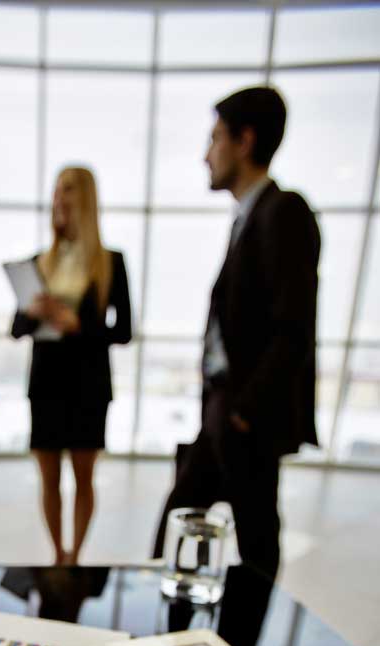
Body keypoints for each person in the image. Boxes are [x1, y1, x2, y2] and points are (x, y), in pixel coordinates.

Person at [152, 87, 320, 583]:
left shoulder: (283, 211)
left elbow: (294, 329)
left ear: (244, 141)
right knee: (181, 522)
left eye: (215, 139)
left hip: (245, 412)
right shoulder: (251, 215)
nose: (207, 154)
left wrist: (245, 411)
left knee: (255, 543)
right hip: (225, 407)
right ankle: (176, 642)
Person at [11, 166, 132, 565]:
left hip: (88, 385)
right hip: (45, 381)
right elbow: (16, 327)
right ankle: (56, 554)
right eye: (56, 191)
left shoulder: (111, 262)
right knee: (48, 479)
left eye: (67, 191)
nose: (59, 199)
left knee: (83, 478)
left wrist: (78, 325)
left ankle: (75, 556)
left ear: (86, 199)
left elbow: (124, 331)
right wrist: (33, 313)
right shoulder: (38, 262)